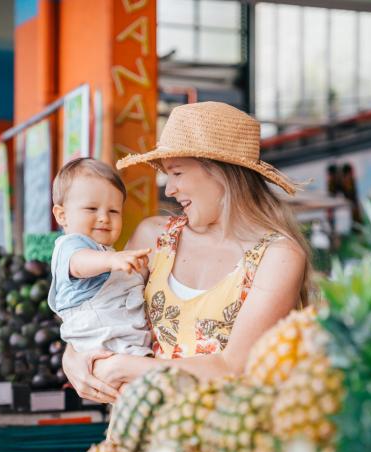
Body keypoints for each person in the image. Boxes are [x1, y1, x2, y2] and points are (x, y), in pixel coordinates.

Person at [62, 101, 313, 403]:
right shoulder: (154, 237)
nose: (169, 190)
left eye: (177, 173)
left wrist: (125, 367)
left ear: (219, 172)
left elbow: (233, 366)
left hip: (224, 438)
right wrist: (72, 356)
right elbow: (101, 308)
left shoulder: (278, 256)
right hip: (138, 433)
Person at [47, 158, 153, 362]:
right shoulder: (70, 246)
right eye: (91, 209)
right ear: (62, 215)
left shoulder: (106, 253)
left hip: (122, 344)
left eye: (113, 211)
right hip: (103, 345)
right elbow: (80, 264)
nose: (104, 217)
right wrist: (112, 259)